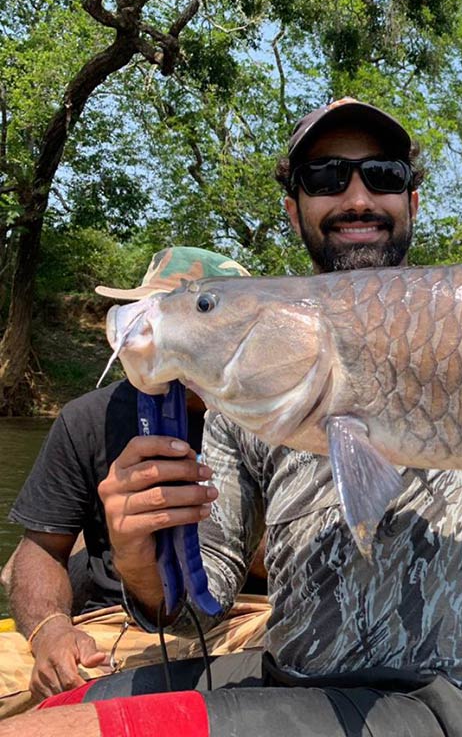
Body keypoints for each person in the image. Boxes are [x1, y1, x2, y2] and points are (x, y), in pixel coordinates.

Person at [2, 100, 462, 737]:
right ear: (295, 210)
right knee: (70, 702)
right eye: (326, 177)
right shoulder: (247, 381)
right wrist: (137, 552)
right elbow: (195, 602)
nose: (356, 197)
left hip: (454, 705)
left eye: (381, 176)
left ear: (411, 199)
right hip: (295, 683)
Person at [0, 248, 269, 718]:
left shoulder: (279, 421)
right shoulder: (86, 419)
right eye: (156, 319)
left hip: (243, 620)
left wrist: (239, 524)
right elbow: (40, 549)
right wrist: (51, 631)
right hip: (109, 625)